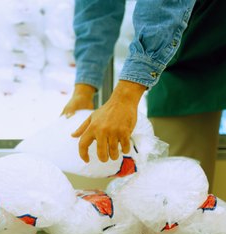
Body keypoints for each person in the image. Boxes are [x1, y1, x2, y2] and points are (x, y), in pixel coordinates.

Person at [62, 0, 226, 192]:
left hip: (206, 20)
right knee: (180, 189)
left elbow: (162, 5)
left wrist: (125, 96)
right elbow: (98, 7)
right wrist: (84, 88)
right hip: (186, 57)